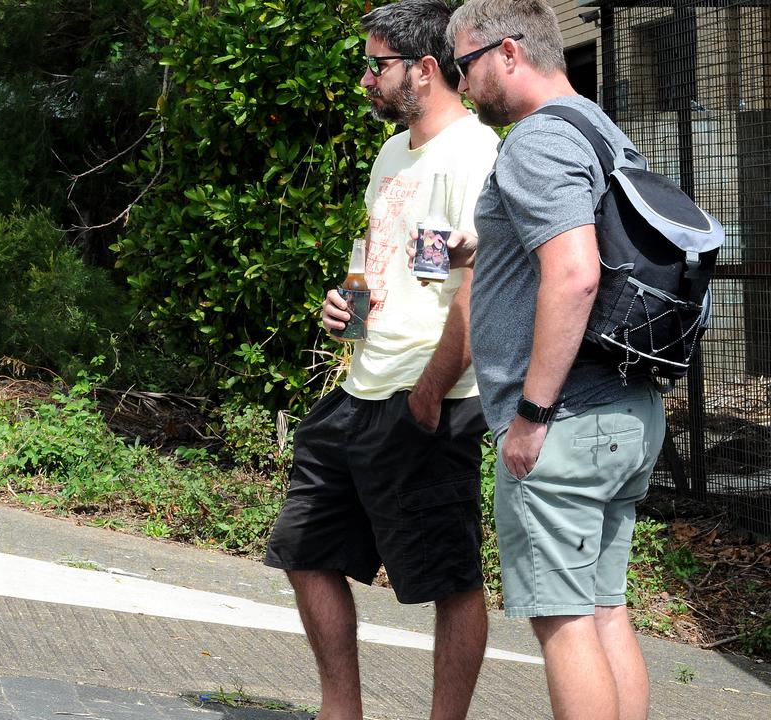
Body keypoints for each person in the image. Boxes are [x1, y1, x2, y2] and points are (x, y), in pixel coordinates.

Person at [262, 1, 499, 718]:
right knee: (304, 548)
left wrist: (431, 392)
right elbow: (384, 258)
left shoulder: (476, 154)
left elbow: (477, 289)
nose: (364, 78)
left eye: (377, 64)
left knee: (448, 579)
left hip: (433, 395)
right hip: (362, 384)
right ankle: (344, 711)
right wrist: (346, 303)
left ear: (425, 71)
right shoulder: (393, 152)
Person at [446, 2, 667, 719]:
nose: (462, 82)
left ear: (507, 52)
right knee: (605, 611)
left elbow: (574, 273)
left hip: (565, 420)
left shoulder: (536, 141)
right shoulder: (599, 129)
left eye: (464, 64)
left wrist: (532, 415)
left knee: (565, 623)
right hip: (626, 409)